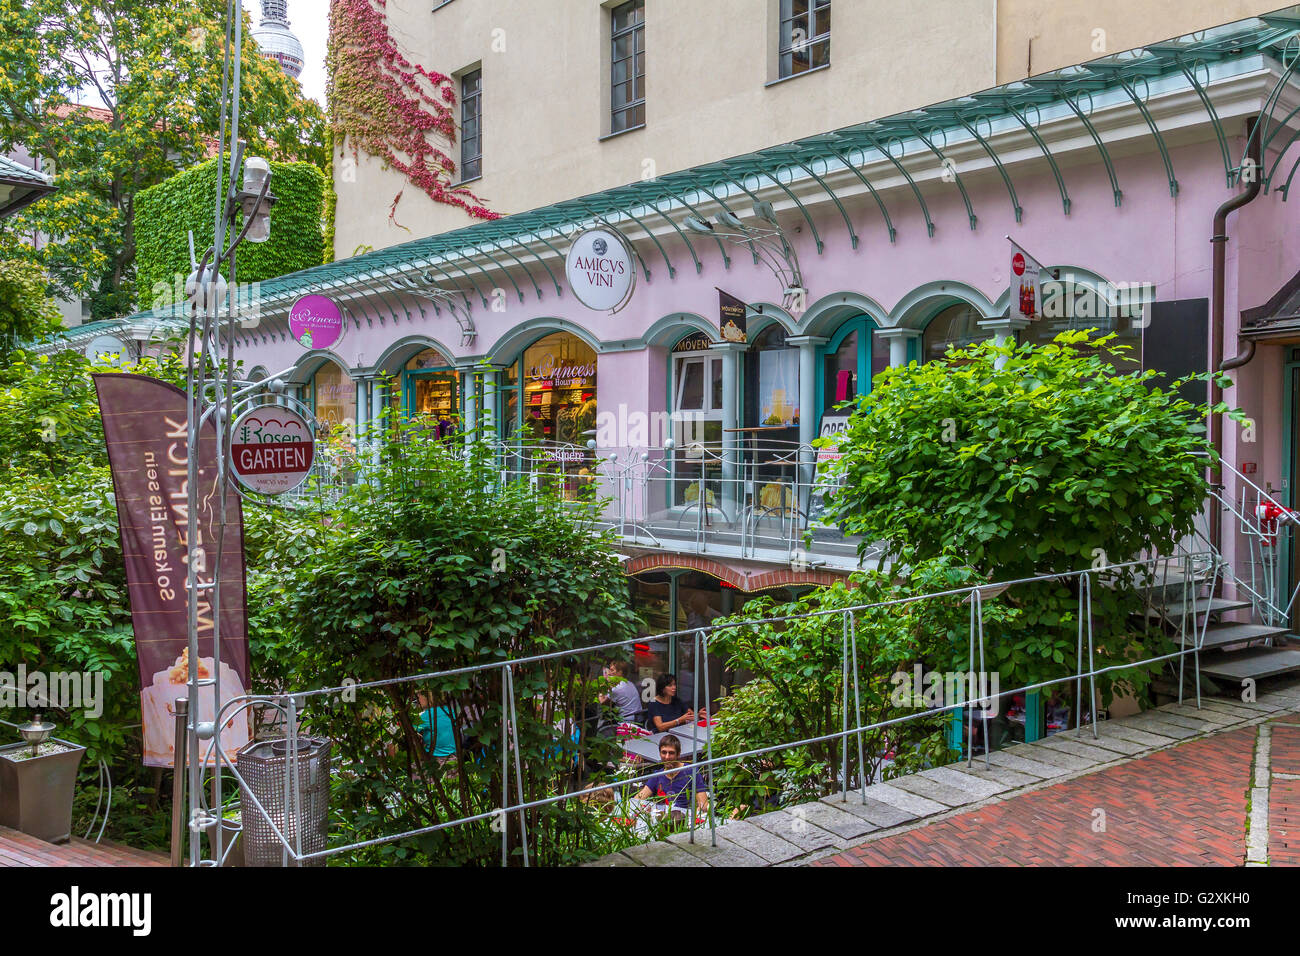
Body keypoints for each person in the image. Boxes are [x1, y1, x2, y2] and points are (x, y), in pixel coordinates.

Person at [636, 734, 708, 817]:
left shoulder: (691, 771)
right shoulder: (657, 775)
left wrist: (696, 813)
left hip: (685, 820)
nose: (667, 757)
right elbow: (637, 800)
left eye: (671, 753)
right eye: (664, 752)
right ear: (659, 753)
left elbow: (704, 805)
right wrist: (645, 809)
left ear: (678, 754)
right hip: (663, 821)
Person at [598, 660, 645, 727]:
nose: (609, 673)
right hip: (637, 717)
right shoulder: (629, 683)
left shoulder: (617, 688)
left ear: (620, 672)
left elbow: (603, 702)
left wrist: (602, 687)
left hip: (626, 722)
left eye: (612, 670)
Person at [414, 691, 457, 762]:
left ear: (428, 697)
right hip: (453, 757)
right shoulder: (449, 710)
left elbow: (409, 732)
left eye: (419, 694)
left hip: (435, 758)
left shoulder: (426, 715)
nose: (417, 698)